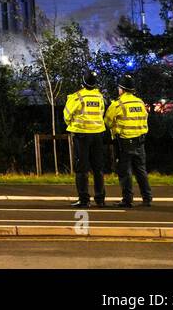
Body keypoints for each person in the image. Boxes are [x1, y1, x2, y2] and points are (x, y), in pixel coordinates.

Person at [105, 74, 153, 208]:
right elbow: (145, 119)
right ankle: (147, 198)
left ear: (122, 89)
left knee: (125, 172)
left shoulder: (118, 104)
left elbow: (107, 121)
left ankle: (127, 200)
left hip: (125, 142)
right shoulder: (140, 102)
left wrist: (116, 129)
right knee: (141, 171)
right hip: (140, 141)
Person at [64, 70, 107, 207]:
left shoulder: (77, 97)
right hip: (98, 135)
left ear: (82, 82)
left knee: (82, 169)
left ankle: (84, 200)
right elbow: (101, 112)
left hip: (82, 136)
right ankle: (100, 199)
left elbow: (67, 115)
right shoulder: (99, 97)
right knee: (98, 168)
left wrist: (74, 124)